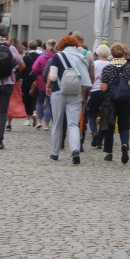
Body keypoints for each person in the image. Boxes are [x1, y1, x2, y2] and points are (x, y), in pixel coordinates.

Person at [47, 35, 92, 164]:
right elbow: (85, 79)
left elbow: (53, 77)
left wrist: (49, 85)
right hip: (76, 93)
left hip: (58, 92)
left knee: (57, 123)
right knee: (73, 124)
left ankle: (55, 153)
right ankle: (75, 150)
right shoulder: (81, 57)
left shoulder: (57, 57)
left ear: (62, 45)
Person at [99, 44, 130, 163]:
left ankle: (109, 153)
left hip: (111, 100)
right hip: (126, 99)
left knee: (110, 124)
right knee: (124, 125)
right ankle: (124, 144)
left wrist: (101, 80)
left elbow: (104, 88)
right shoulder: (128, 67)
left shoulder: (108, 68)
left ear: (112, 54)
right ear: (124, 53)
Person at [86, 44, 112, 148]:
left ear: (97, 53)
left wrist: (89, 88)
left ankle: (94, 132)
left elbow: (90, 76)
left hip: (95, 90)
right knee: (104, 115)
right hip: (106, 92)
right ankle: (101, 138)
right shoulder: (110, 64)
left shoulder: (95, 63)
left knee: (91, 113)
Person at [31, 40, 56, 130]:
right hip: (53, 82)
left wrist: (38, 73)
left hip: (42, 81)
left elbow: (34, 68)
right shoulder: (56, 57)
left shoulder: (41, 57)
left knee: (40, 101)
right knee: (49, 103)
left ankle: (39, 121)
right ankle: (46, 123)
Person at [21, 40, 43, 125]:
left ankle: (28, 118)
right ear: (36, 47)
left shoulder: (26, 57)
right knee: (36, 97)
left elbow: (22, 69)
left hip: (27, 80)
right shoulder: (39, 56)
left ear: (28, 47)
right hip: (37, 79)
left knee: (27, 98)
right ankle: (35, 112)